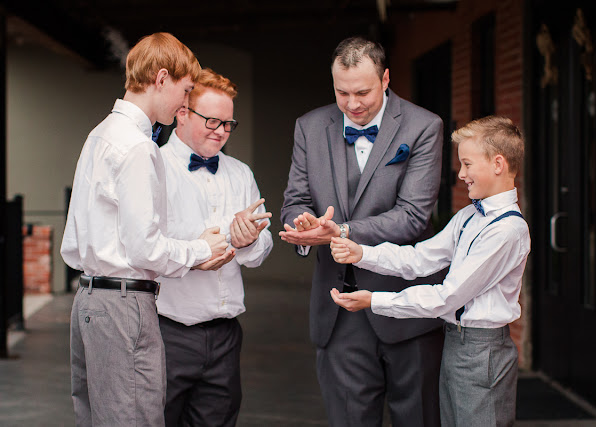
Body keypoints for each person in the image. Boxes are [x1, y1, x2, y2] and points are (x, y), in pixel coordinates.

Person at [61, 33, 233, 427]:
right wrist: (201, 250)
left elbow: (75, 237)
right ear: (160, 79)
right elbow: (145, 250)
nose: (186, 102)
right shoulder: (138, 147)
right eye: (186, 90)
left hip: (87, 300)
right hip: (124, 305)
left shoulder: (99, 135)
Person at [280, 36, 445, 426]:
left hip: (407, 307)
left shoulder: (424, 126)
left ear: (386, 79)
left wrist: (342, 230)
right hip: (339, 312)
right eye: (342, 93)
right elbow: (295, 200)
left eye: (363, 92)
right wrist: (304, 225)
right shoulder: (310, 126)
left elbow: (413, 216)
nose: (352, 104)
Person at [329, 115, 531, 427]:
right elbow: (420, 258)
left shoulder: (507, 231)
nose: (461, 174)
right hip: (456, 342)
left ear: (498, 164)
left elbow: (447, 297)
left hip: (482, 351)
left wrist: (376, 301)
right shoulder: (467, 216)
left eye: (467, 164)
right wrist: (362, 253)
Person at [157, 68, 273, 426]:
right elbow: (141, 247)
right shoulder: (154, 167)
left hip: (225, 336)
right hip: (166, 332)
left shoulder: (240, 173)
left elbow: (262, 246)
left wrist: (250, 240)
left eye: (228, 124)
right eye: (212, 121)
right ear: (182, 113)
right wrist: (195, 253)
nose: (221, 131)